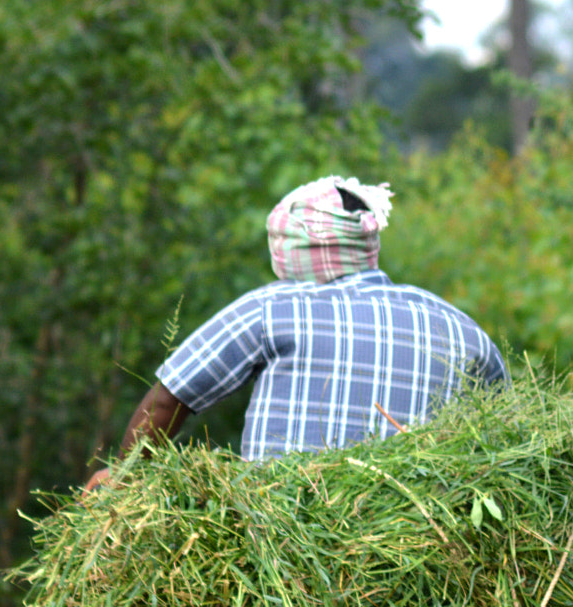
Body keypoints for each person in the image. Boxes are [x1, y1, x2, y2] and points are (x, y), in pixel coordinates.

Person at [85, 176, 507, 489]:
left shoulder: (273, 308)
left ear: (296, 252)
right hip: (419, 553)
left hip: (283, 556)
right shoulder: (461, 329)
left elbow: (168, 398)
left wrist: (125, 476)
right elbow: (506, 435)